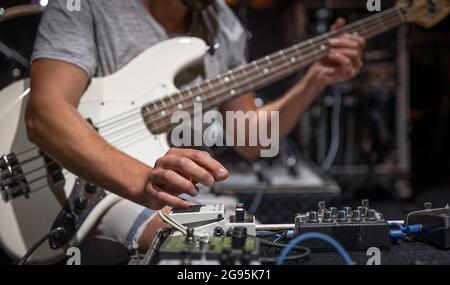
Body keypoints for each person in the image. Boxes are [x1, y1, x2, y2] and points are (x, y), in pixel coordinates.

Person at [25, 0, 365, 258]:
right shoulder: (88, 6)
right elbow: (45, 113)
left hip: (175, 194)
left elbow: (250, 140)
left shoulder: (221, 23)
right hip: (90, 191)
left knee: (250, 246)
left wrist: (314, 81)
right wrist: (142, 179)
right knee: (204, 248)